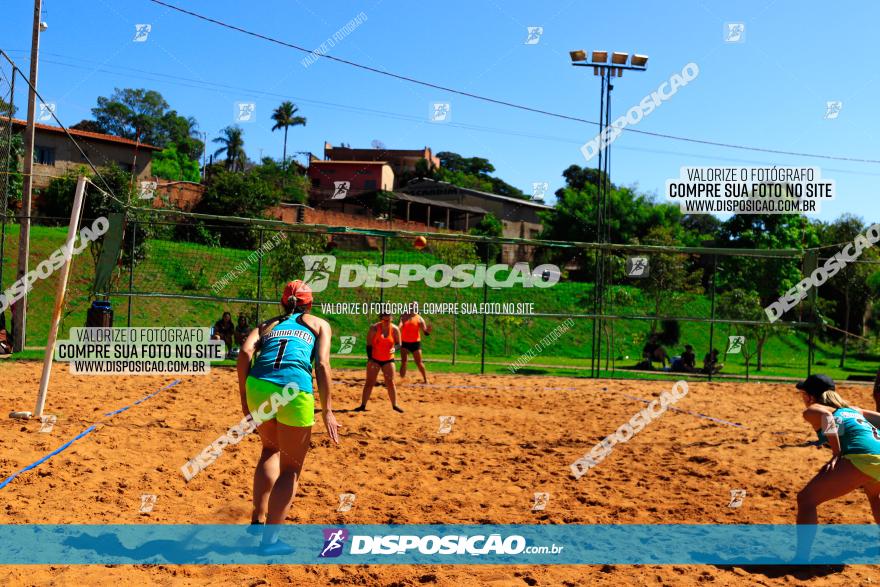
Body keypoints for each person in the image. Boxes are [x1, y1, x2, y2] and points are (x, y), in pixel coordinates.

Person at [237, 280, 340, 555]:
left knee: (269, 449)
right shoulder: (318, 325)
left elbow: (245, 352)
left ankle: (258, 520)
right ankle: (269, 543)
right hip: (293, 388)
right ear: (310, 304)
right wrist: (328, 409)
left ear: (283, 302)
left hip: (258, 385)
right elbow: (322, 364)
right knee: (291, 468)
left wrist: (244, 399)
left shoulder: (267, 325)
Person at [794, 374, 880, 560]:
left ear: (810, 396)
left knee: (806, 500)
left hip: (862, 456)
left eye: (802, 394)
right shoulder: (853, 410)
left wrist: (836, 451)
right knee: (874, 496)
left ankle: (801, 558)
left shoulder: (813, 409)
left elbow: (826, 417)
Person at [354, 311, 403, 413]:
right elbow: (369, 345)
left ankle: (395, 405)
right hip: (375, 359)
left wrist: (395, 348)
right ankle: (363, 405)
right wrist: (370, 359)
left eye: (388, 319)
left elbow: (399, 344)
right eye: (384, 319)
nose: (386, 322)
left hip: (388, 359)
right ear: (380, 319)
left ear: (391, 319)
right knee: (369, 382)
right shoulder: (374, 328)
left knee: (390, 382)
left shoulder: (395, 329)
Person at [399, 303, 431, 384]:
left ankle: (425, 379)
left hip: (415, 343)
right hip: (405, 342)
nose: (413, 307)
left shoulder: (419, 318)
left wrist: (427, 331)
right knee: (404, 362)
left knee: (419, 362)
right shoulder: (404, 316)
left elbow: (425, 332)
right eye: (412, 306)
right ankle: (401, 380)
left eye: (415, 306)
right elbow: (400, 325)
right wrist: (397, 329)